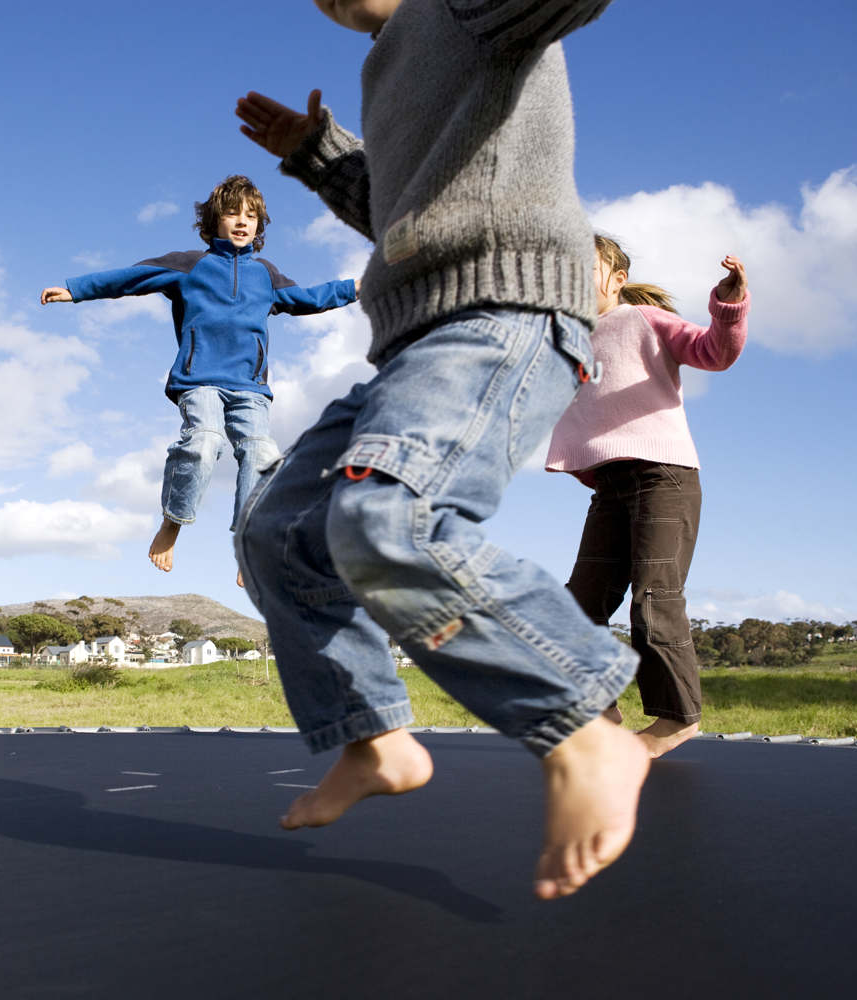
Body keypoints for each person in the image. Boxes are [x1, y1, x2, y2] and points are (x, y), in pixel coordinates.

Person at [233, 0, 649, 900]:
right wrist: (319, 155)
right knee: (275, 530)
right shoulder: (386, 64)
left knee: (393, 515)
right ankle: (373, 736)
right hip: (412, 341)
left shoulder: (467, 8)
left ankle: (584, 726)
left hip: (506, 313)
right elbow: (404, 209)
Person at [41, 175, 358, 583]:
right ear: (213, 221)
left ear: (260, 225)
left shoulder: (267, 276)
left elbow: (312, 297)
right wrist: (76, 290)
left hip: (250, 388)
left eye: (252, 216)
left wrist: (357, 287)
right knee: (205, 441)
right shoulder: (190, 265)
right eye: (232, 213)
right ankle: (173, 521)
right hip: (200, 380)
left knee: (261, 454)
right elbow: (129, 278)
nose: (243, 222)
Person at [547, 236, 750, 758]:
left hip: (664, 476)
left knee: (653, 598)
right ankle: (600, 706)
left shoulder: (642, 321)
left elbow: (714, 351)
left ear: (615, 279)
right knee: (579, 604)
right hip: (612, 486)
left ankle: (676, 719)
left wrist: (728, 306)